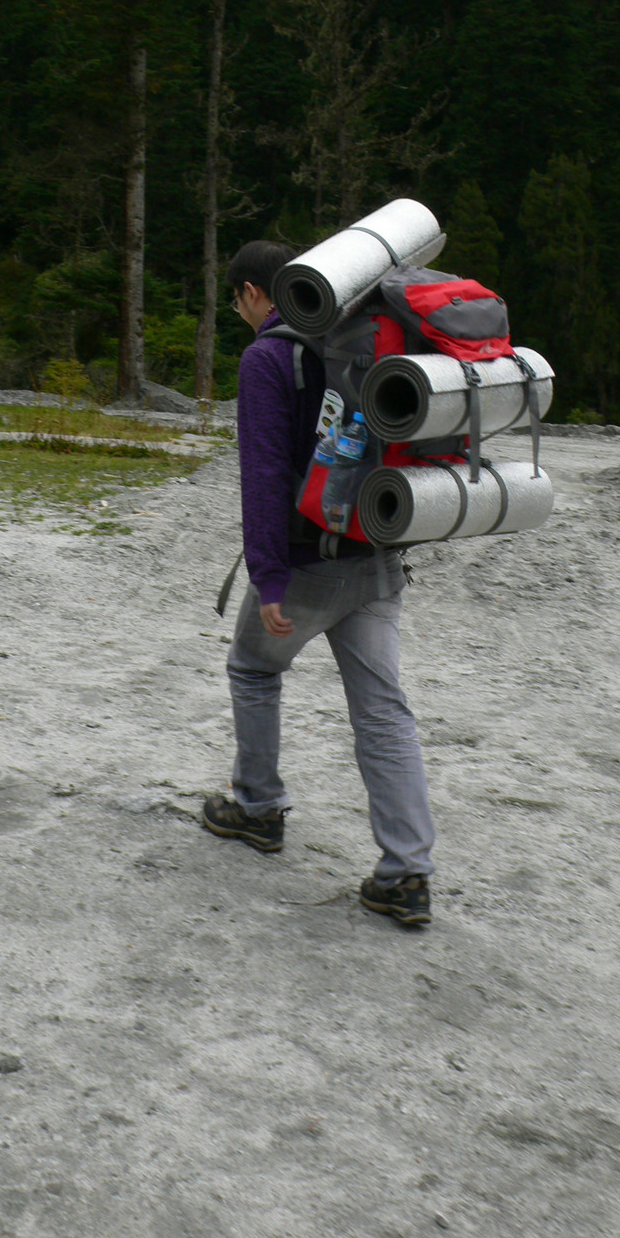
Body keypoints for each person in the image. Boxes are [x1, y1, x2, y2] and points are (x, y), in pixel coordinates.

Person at [202, 239, 436, 927]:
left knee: (252, 667)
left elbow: (266, 474)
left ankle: (256, 807)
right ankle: (407, 873)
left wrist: (269, 579)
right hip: (378, 554)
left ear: (251, 293)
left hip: (309, 564)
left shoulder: (268, 358)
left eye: (236, 302)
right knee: (383, 711)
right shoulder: (357, 340)